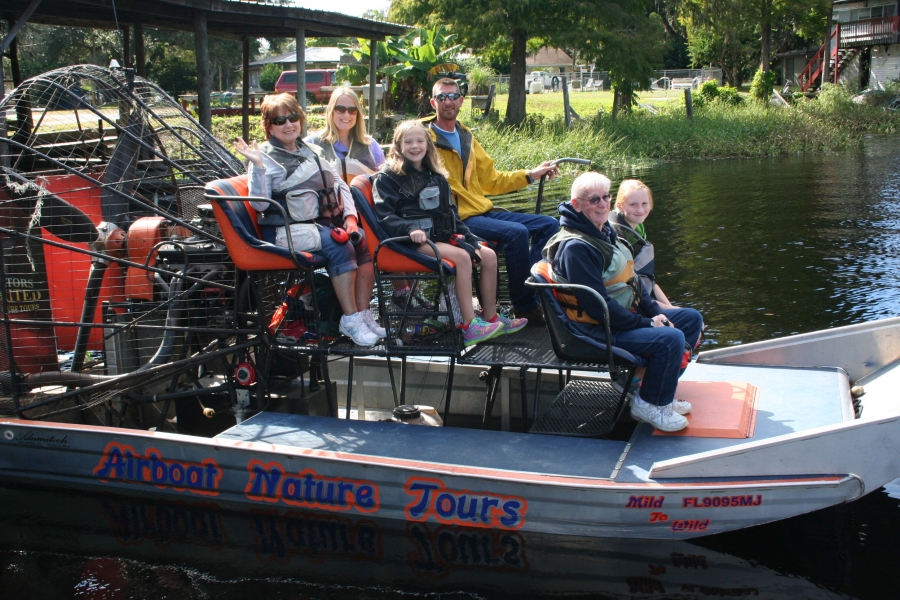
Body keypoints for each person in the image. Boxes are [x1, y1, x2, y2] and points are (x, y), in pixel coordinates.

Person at [541, 172, 704, 432]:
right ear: (577, 204)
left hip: (620, 318)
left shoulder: (604, 231)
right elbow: (598, 307)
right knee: (670, 338)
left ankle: (656, 392)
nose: (603, 204)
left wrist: (653, 311)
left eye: (605, 197)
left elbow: (634, 283)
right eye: (594, 199)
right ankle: (649, 403)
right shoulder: (576, 248)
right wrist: (648, 322)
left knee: (690, 319)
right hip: (597, 330)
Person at [234, 93, 383, 347]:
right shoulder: (265, 158)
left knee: (362, 242)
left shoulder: (311, 150)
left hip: (319, 224)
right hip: (283, 231)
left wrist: (349, 218)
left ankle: (362, 313)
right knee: (340, 246)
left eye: (293, 117)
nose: (288, 125)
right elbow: (259, 204)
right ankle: (349, 319)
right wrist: (257, 166)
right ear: (269, 126)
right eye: (280, 120)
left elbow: (337, 184)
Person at [372, 120, 528, 346]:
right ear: (398, 146)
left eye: (420, 141)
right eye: (408, 142)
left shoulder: (436, 176)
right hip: (410, 241)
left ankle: (490, 317)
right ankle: (469, 325)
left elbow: (452, 216)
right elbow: (385, 216)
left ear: (428, 145)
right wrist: (410, 229)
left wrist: (472, 240)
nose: (415, 146)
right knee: (463, 257)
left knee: (489, 255)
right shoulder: (387, 177)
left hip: (439, 237)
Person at [422, 77, 560, 325]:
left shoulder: (466, 135)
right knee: (517, 233)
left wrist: (530, 175)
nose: (448, 102)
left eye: (453, 96)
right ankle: (525, 306)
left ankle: (529, 292)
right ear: (433, 102)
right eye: (442, 97)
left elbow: (492, 180)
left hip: (480, 211)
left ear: (461, 100)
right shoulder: (424, 137)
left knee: (549, 225)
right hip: (455, 219)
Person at [610, 179, 676, 309]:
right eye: (633, 204)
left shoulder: (637, 229)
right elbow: (629, 286)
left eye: (644, 203)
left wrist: (671, 307)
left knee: (690, 316)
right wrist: (670, 309)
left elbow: (648, 279)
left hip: (646, 300)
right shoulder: (617, 237)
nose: (640, 209)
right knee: (694, 318)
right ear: (620, 206)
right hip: (632, 305)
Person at [304, 87, 385, 182]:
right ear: (331, 111)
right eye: (340, 109)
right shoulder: (311, 144)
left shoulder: (371, 146)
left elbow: (384, 182)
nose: (346, 115)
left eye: (352, 110)